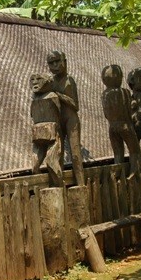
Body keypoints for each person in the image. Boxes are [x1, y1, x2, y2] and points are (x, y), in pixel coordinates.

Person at [47, 51, 84, 187]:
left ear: (65, 62)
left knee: (75, 153)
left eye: (57, 61)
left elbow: (75, 105)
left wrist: (59, 95)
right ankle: (58, 184)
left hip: (71, 119)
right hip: (58, 120)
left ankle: (80, 184)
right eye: (51, 63)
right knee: (58, 153)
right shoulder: (50, 82)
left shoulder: (69, 81)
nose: (55, 65)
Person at [102, 65, 141, 179]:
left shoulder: (104, 94)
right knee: (134, 150)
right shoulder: (124, 92)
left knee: (118, 153)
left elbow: (105, 114)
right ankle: (135, 171)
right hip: (125, 124)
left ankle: (117, 173)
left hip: (112, 126)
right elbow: (129, 111)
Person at [30, 73, 63, 187]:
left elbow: (58, 114)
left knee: (51, 161)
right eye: (32, 79)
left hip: (52, 133)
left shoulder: (53, 96)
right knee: (35, 164)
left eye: (39, 79)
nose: (35, 82)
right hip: (38, 133)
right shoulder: (33, 99)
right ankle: (39, 185)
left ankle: (58, 186)